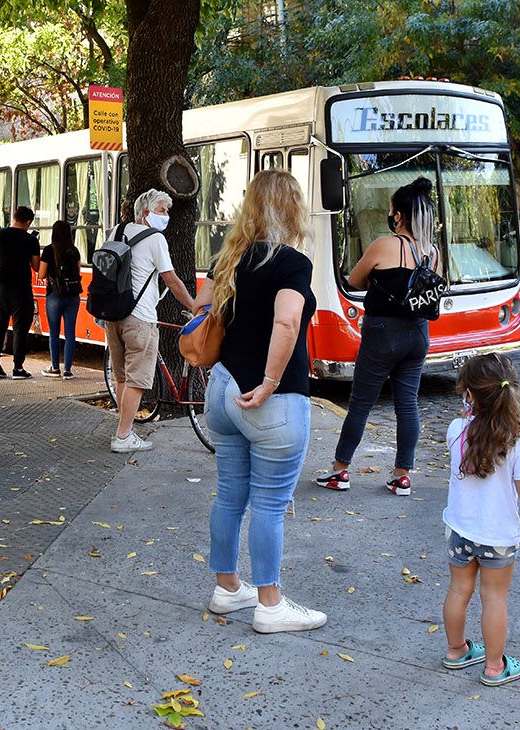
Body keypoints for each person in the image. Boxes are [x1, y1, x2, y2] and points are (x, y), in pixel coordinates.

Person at [194, 170, 322, 633]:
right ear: (291, 209)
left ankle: (227, 589)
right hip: (271, 400)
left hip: (222, 389)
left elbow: (200, 311)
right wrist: (269, 381)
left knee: (229, 495)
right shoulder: (291, 262)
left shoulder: (227, 259)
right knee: (269, 504)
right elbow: (287, 323)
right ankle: (270, 604)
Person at [315, 177, 437, 495]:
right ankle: (402, 476)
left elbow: (355, 280)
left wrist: (380, 282)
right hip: (418, 334)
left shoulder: (386, 244)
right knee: (407, 405)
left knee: (361, 404)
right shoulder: (431, 252)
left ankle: (340, 471)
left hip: (383, 333)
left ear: (398, 215)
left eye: (391, 210)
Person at [440, 354, 520, 688]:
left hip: (460, 529)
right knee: (495, 599)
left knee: (459, 590)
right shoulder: (517, 443)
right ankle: (495, 667)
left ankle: (456, 651)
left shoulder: (456, 430)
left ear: (469, 395)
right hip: (498, 537)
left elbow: (468, 438)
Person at [107, 189, 195, 452]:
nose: (166, 215)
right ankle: (123, 437)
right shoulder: (155, 238)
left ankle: (124, 431)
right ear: (145, 213)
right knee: (137, 380)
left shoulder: (115, 232)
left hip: (114, 315)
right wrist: (194, 305)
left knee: (122, 376)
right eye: (161, 210)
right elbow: (171, 280)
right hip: (140, 317)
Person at [0, 207, 41, 379]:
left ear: (14, 217)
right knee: (20, 329)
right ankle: (18, 368)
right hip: (22, 289)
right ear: (28, 222)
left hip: (0, 288)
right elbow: (36, 267)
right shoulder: (30, 240)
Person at [39, 220, 82, 378]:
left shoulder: (50, 250)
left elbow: (41, 274)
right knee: (70, 333)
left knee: (54, 332)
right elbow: (77, 273)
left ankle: (55, 368)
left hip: (54, 296)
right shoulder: (74, 250)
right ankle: (68, 371)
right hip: (73, 296)